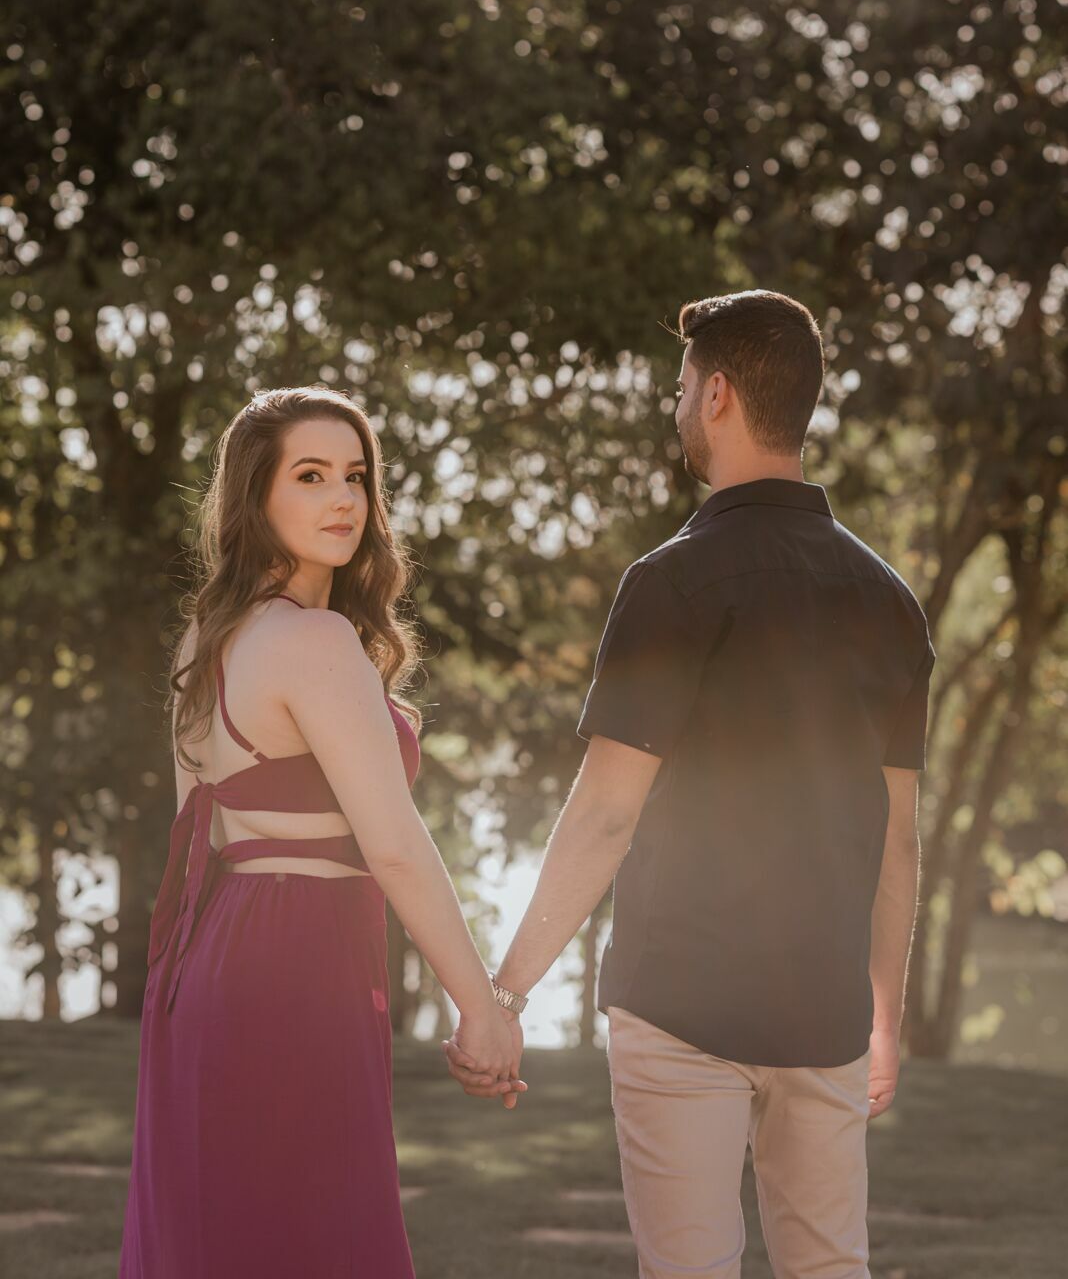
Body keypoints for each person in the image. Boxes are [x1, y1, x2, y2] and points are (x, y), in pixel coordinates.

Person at [446, 290, 934, 1279]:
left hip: (680, 1004)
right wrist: (883, 1016)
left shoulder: (670, 581)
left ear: (716, 395)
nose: (676, 409)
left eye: (680, 389)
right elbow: (898, 840)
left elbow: (606, 812)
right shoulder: (889, 601)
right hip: (826, 1013)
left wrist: (506, 991)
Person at [119, 385, 523, 1279]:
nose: (344, 498)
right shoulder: (316, 640)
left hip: (208, 964)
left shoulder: (205, 638)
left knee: (231, 1239)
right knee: (316, 1242)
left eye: (356, 476)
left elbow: (201, 834)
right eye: (310, 476)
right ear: (255, 494)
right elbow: (395, 848)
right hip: (297, 961)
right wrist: (482, 1008)